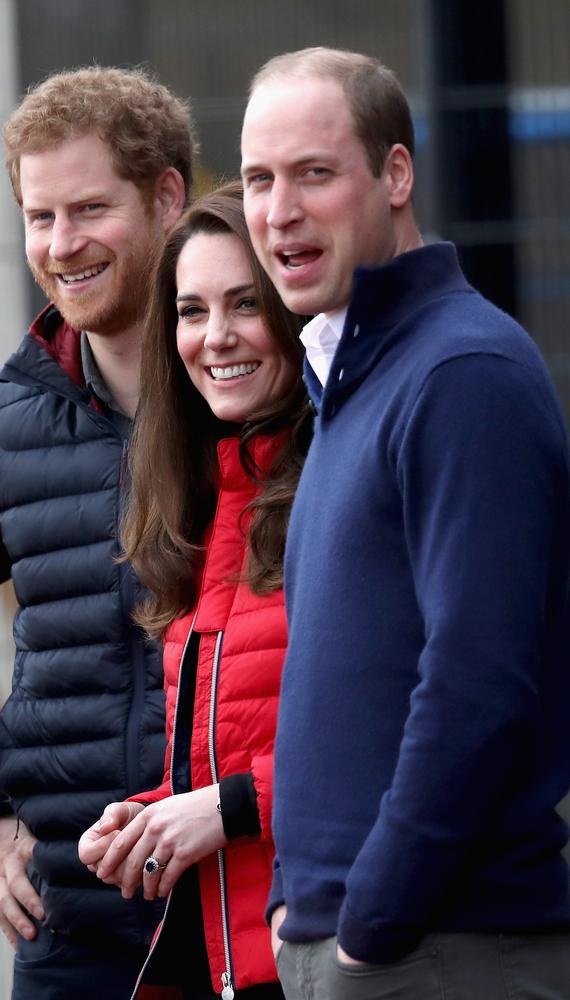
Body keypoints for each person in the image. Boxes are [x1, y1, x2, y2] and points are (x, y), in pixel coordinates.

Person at [240, 46, 570, 999]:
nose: (278, 211)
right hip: (368, 946)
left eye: (314, 173)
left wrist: (370, 925)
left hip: (436, 949)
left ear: (395, 174)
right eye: (260, 178)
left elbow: (478, 685)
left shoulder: (461, 375)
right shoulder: (354, 379)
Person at [0, 66, 192, 998]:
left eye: (88, 209)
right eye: (41, 217)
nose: (62, 245)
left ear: (167, 197)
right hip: (72, 933)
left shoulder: (260, 397)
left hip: (257, 915)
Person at [79, 183, 311, 1000]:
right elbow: (237, 750)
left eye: (246, 304)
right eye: (191, 310)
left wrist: (227, 808)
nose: (216, 338)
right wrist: (152, 817)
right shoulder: (207, 502)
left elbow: (398, 733)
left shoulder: (341, 483)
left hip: (325, 953)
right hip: (225, 962)